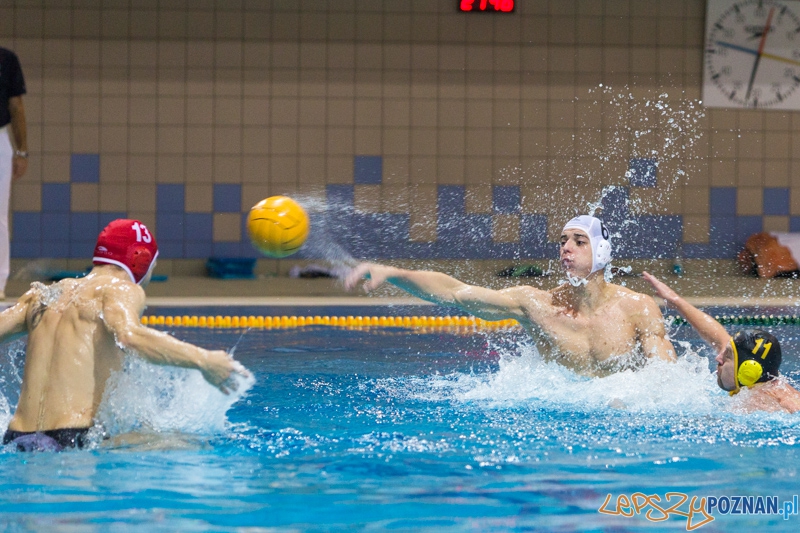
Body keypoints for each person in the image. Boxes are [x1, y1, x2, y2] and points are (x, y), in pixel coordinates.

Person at [0, 219, 250, 451]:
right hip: (71, 440)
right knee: (191, 444)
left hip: (16, 438)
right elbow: (130, 336)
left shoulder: (44, 294)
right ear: (139, 261)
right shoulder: (121, 289)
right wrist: (204, 361)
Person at [346, 215, 676, 376]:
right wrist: (392, 273)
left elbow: (667, 381)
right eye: (562, 240)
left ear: (602, 251)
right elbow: (457, 293)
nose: (565, 248)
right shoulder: (535, 304)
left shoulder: (637, 308)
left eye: (578, 241)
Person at [643, 271, 800, 413]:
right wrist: (674, 300)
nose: (718, 358)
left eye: (727, 356)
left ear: (748, 370)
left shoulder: (761, 404)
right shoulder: (757, 381)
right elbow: (718, 337)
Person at [0, 47, 28, 300]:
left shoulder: (7, 60)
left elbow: (16, 106)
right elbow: (16, 106)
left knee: (0, 214)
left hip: (0, 139)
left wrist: (21, 151)